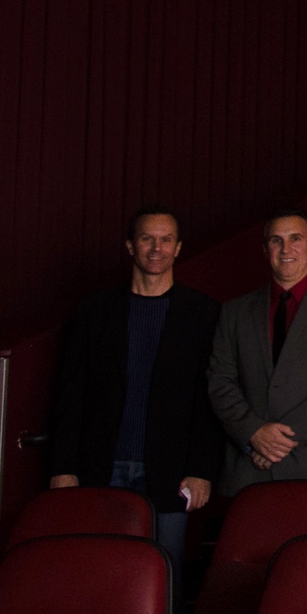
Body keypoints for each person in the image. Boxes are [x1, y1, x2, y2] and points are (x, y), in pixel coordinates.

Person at [48, 207, 222, 569]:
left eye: (166, 240)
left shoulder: (204, 314)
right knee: (96, 571)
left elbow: (210, 400)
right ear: (130, 246)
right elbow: (69, 394)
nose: (156, 248)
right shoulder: (94, 310)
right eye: (147, 238)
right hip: (100, 468)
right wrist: (63, 468)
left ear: (177, 248)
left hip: (171, 473)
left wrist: (202, 469)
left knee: (162, 577)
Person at [207, 210, 307, 493]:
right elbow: (220, 380)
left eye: (295, 238)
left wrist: (275, 442)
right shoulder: (234, 311)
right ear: (265, 249)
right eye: (276, 240)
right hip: (250, 472)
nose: (286, 249)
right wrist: (254, 433)